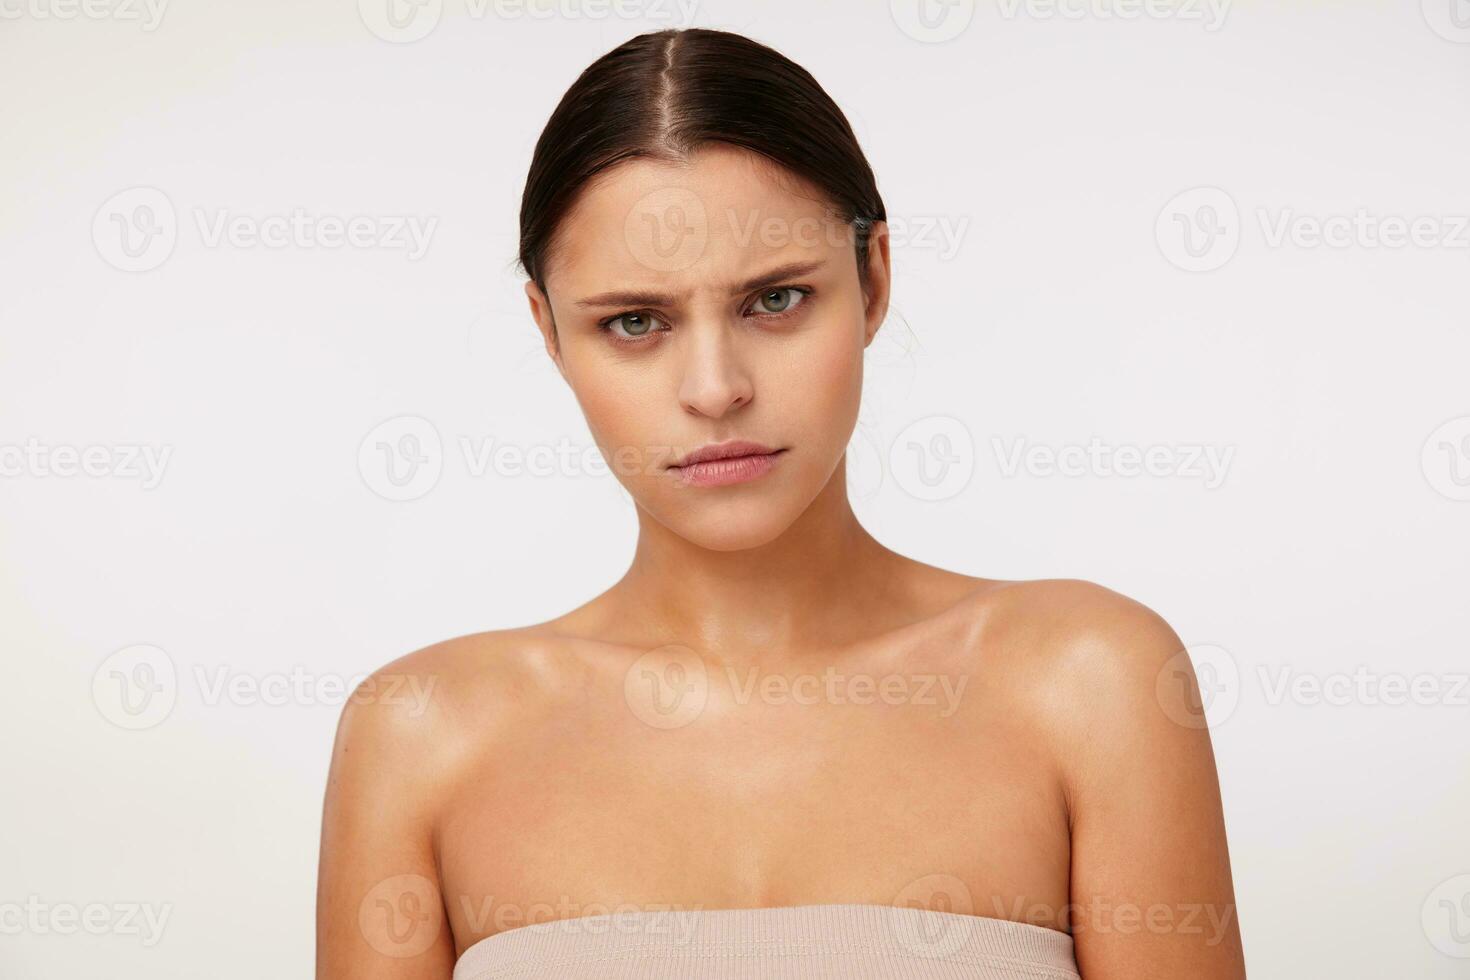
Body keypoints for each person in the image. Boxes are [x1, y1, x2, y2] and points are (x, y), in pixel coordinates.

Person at [317, 27, 1246, 979]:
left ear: (874, 278)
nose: (716, 389)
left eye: (775, 302)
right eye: (635, 322)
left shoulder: (1090, 685)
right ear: (548, 332)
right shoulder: (423, 732)